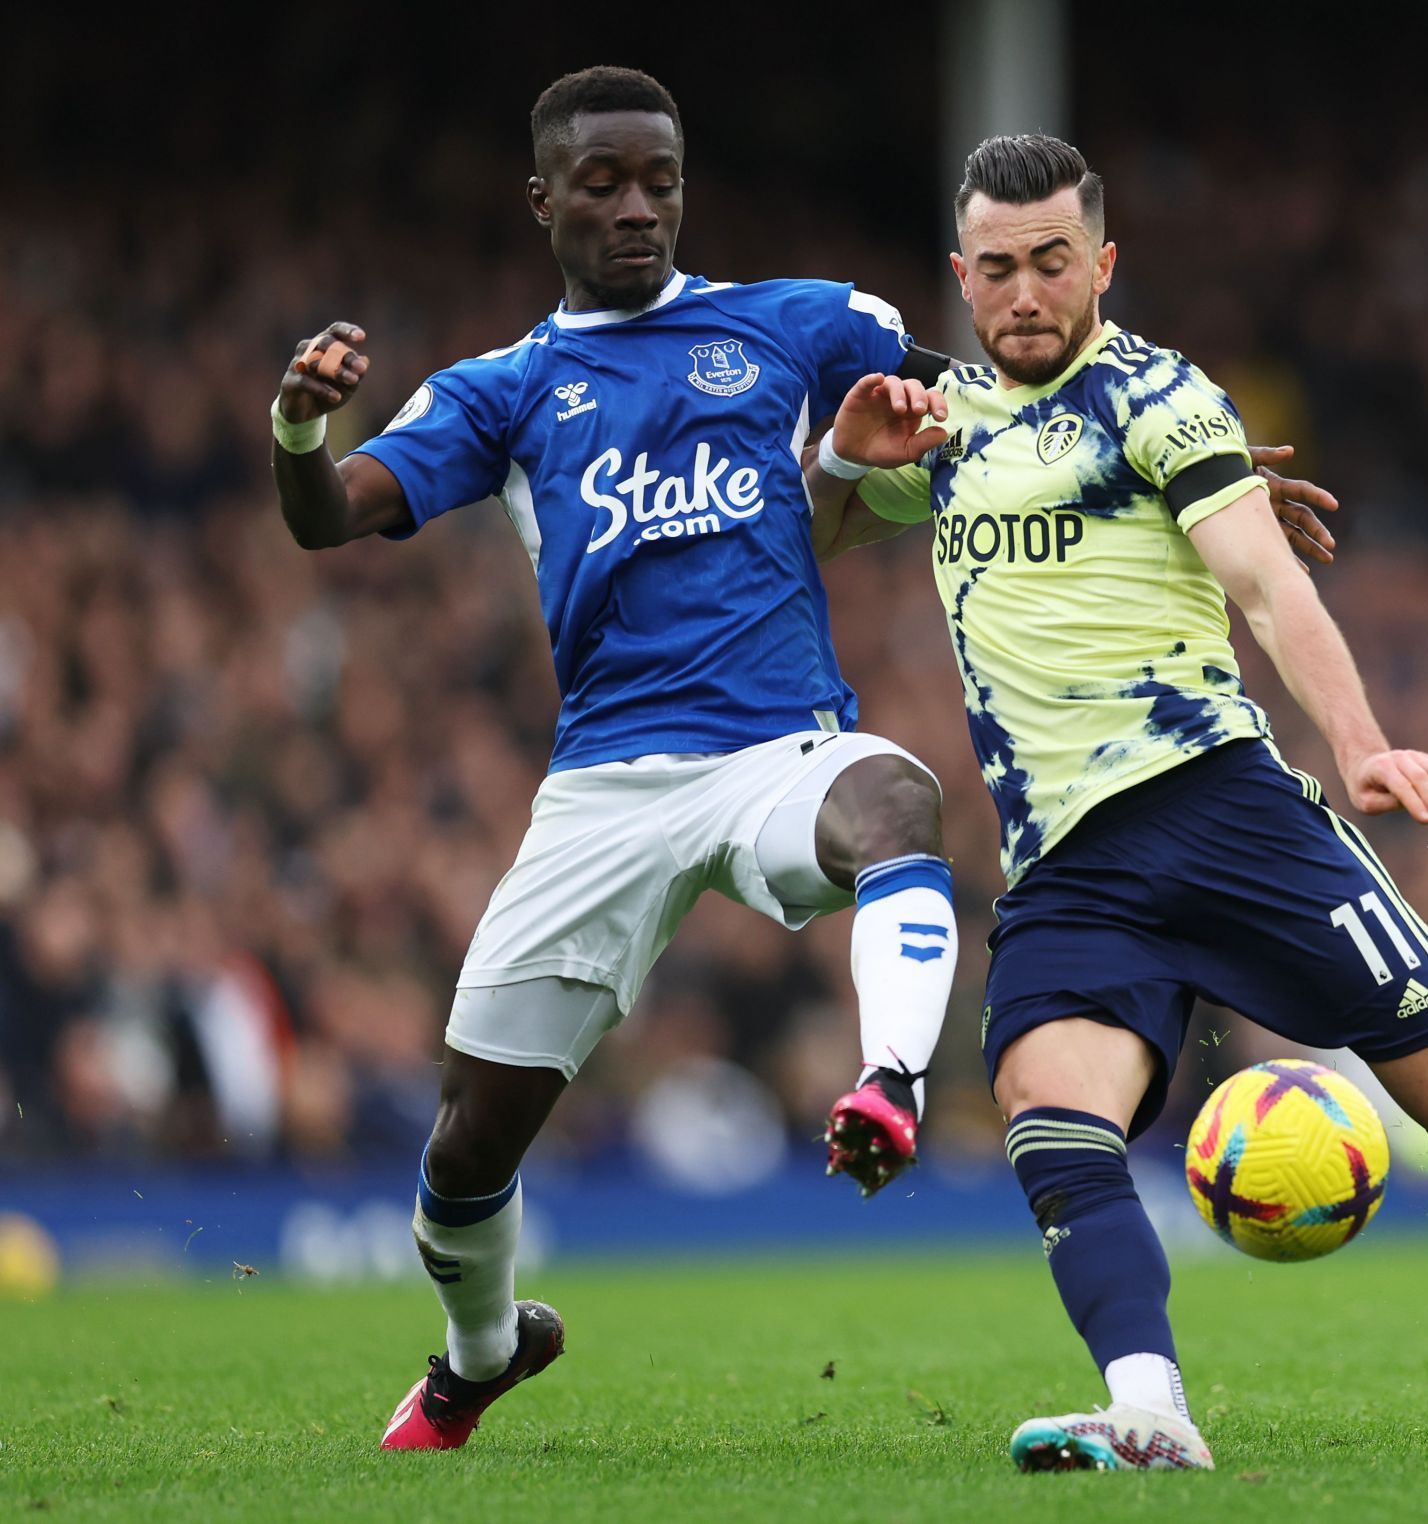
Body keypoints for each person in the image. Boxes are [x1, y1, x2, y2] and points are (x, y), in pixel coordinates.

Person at [804, 134, 1428, 1473]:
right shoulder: (936, 423)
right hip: (1066, 863)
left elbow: (1268, 585)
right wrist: (843, 462)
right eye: (997, 269)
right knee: (1047, 1116)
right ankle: (1149, 1405)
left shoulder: (1158, 397)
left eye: (1052, 264)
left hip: (1225, 814)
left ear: (1103, 264)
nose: (1024, 294)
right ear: (961, 276)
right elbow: (812, 535)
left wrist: (1358, 746)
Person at [272, 64, 970, 1452]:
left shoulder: (797, 324)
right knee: (469, 1147)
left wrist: (1176, 457)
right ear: (543, 199)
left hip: (778, 747)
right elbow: (327, 516)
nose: (638, 207)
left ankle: (890, 1081)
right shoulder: (504, 390)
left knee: (898, 798)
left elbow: (1001, 401)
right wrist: (300, 426)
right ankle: (484, 1352)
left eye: (660, 180)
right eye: (603, 183)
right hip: (604, 786)